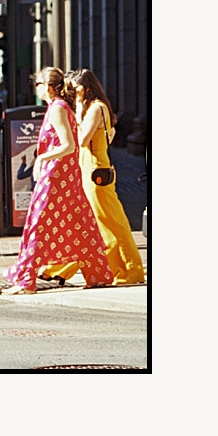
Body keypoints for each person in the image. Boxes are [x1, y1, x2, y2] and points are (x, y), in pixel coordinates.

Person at [3, 68, 111, 294]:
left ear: (50, 86)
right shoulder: (58, 107)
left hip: (56, 177)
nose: (37, 88)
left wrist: (42, 157)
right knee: (80, 223)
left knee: (38, 225)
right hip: (65, 176)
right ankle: (97, 275)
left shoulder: (58, 109)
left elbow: (69, 144)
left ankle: (26, 281)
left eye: (39, 84)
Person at [68, 69, 145, 285]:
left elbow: (82, 140)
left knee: (109, 221)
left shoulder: (94, 108)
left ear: (87, 87)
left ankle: (127, 270)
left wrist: (77, 112)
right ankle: (120, 268)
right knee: (107, 220)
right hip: (94, 167)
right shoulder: (99, 107)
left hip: (95, 170)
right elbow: (109, 136)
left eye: (77, 88)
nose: (75, 92)